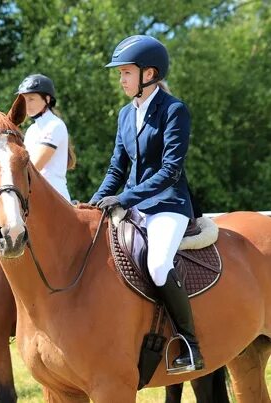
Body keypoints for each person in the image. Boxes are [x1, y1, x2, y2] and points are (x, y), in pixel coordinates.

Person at [88, 35, 204, 373]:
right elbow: (116, 169)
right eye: (120, 73)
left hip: (168, 205)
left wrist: (123, 198)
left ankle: (190, 344)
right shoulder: (126, 115)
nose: (121, 79)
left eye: (125, 72)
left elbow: (170, 171)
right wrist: (95, 202)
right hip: (134, 204)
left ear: (149, 73)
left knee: (156, 264)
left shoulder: (174, 110)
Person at [16, 73, 76, 203]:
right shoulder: (32, 130)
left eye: (31, 99)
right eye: (24, 100)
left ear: (47, 99)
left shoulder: (55, 125)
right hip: (35, 197)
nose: (27, 104)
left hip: (55, 198)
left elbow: (34, 167)